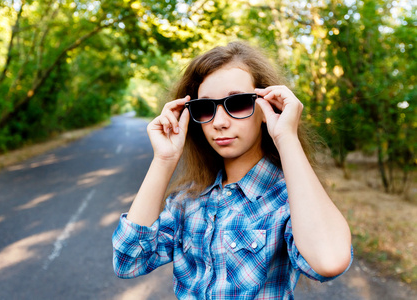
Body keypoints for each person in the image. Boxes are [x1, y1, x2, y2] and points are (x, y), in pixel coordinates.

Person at [112, 41, 352, 299]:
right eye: (205, 108)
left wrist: (286, 138)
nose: (219, 122)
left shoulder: (288, 197)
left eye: (237, 104)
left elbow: (329, 261)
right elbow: (129, 262)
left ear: (266, 108)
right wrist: (164, 159)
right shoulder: (188, 200)